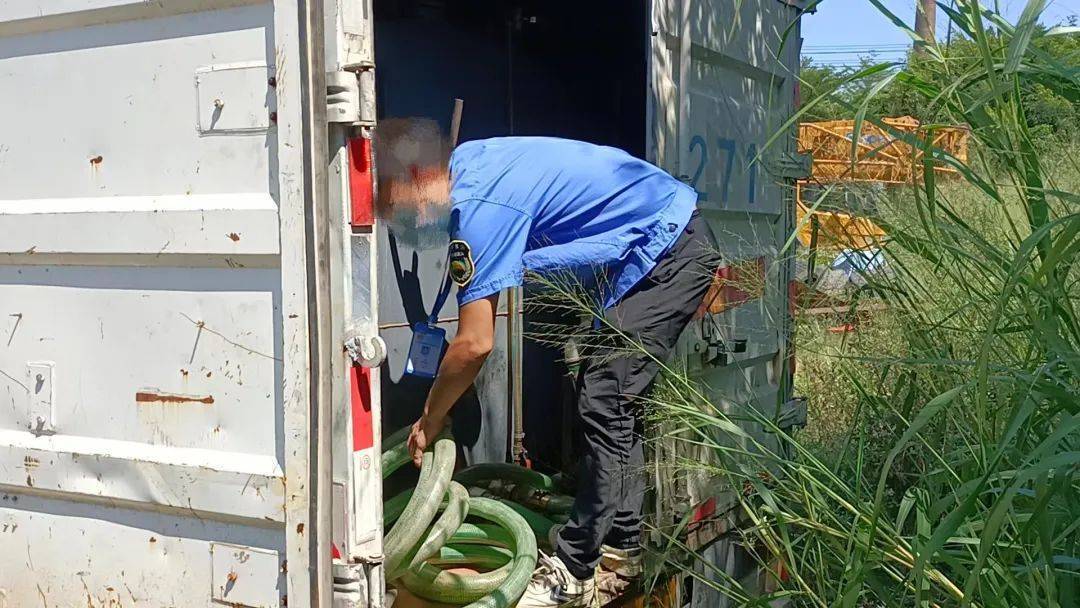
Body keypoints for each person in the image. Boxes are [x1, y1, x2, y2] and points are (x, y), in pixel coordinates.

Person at [376, 118, 720, 608]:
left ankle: (576, 570)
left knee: (606, 397)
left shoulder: (478, 208)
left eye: (392, 205)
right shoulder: (473, 166)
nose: (397, 220)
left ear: (417, 177)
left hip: (669, 249)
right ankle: (620, 546)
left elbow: (474, 343)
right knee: (612, 395)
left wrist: (431, 418)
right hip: (661, 242)